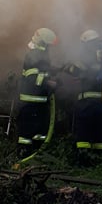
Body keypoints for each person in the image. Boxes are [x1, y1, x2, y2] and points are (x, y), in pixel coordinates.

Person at [63, 29, 102, 164]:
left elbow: (74, 69)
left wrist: (66, 67)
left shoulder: (87, 56)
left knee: (83, 130)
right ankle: (99, 160)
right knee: (99, 131)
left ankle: (83, 160)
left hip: (87, 102)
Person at [16, 28, 59, 157]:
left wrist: (56, 70)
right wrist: (49, 83)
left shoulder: (41, 56)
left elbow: (42, 71)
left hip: (40, 103)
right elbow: (32, 78)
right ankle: (23, 158)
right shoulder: (34, 55)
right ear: (44, 42)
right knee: (26, 135)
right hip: (30, 103)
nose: (50, 48)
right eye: (49, 45)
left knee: (39, 135)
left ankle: (37, 158)